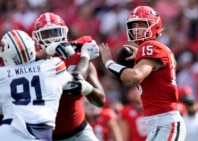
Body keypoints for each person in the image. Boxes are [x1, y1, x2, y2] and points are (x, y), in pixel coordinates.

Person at [100, 6, 186, 141]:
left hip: (166, 122)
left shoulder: (151, 46)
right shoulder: (149, 50)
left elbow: (134, 76)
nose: (136, 29)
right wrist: (140, 57)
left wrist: (109, 63)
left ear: (153, 25)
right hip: (156, 124)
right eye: (133, 25)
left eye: (141, 24)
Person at [0, 29, 91, 141]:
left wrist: (50, 49)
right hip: (37, 134)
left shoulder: (2, 75)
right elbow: (77, 80)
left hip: (7, 131)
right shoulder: (53, 66)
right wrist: (85, 56)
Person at [32, 12, 106, 141]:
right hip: (42, 136)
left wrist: (86, 88)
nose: (52, 39)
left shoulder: (78, 58)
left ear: (64, 33)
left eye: (55, 33)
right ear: (36, 38)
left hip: (79, 131)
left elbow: (100, 100)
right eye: (46, 35)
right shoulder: (32, 63)